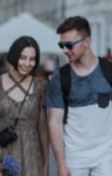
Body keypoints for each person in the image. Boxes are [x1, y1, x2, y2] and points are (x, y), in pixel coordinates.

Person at [45, 16, 112, 176]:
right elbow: (55, 122)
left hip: (106, 157)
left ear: (87, 41)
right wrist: (60, 163)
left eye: (69, 45)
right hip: (74, 159)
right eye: (61, 45)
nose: (65, 50)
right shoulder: (60, 78)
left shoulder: (108, 71)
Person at [0, 36, 49, 176]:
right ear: (14, 55)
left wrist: (45, 163)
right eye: (23, 57)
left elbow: (42, 127)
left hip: (31, 156)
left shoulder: (40, 86)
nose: (27, 63)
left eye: (32, 59)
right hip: (1, 153)